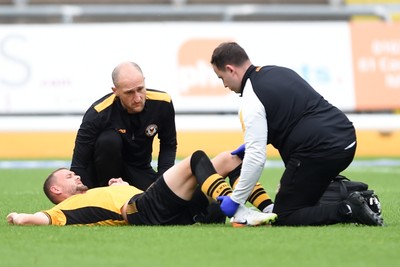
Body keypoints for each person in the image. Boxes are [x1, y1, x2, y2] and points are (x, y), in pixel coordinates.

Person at [210, 42, 383, 226]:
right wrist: (262, 140)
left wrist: (236, 200)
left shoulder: (250, 100)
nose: (224, 85)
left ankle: (348, 209)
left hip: (320, 150)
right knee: (302, 195)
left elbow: (256, 158)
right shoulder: (278, 72)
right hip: (346, 140)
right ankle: (357, 196)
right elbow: (295, 113)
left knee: (285, 215)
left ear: (230, 70)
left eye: (221, 78)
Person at [6, 150, 277, 227]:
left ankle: (266, 207)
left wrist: (123, 186)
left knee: (231, 159)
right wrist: (21, 217)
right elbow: (45, 218)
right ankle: (236, 207)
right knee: (196, 159)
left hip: (153, 206)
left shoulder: (94, 194)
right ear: (56, 191)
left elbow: (113, 201)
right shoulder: (66, 206)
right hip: (144, 209)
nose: (75, 175)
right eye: (68, 176)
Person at [70, 61, 177, 190]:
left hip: (138, 169)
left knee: (165, 202)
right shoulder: (98, 113)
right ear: (115, 91)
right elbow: (79, 164)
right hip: (101, 177)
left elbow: (168, 145)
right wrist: (81, 195)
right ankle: (106, 195)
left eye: (140, 89)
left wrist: (162, 184)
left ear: (144, 81)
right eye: (129, 93)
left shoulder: (162, 103)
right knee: (109, 140)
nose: (137, 98)